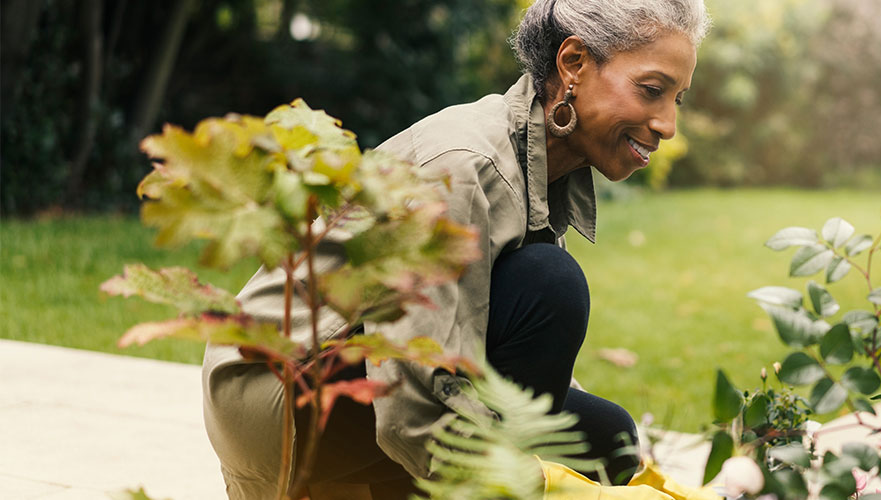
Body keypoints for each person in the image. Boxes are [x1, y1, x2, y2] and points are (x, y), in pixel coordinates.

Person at [201, 0, 709, 497]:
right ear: (573, 63)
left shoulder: (542, 162)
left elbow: (506, 354)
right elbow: (412, 407)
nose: (666, 124)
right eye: (652, 90)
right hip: (278, 389)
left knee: (608, 438)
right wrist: (540, 486)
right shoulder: (465, 167)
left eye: (676, 99)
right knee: (550, 284)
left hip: (351, 377)